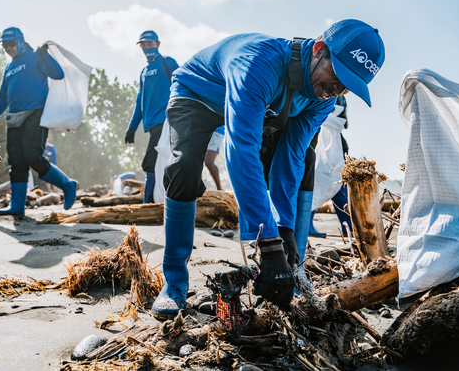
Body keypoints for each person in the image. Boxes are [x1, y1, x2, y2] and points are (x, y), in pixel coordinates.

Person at [152, 19, 385, 319]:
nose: (337, 89)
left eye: (348, 86)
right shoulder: (259, 63)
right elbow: (240, 150)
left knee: (308, 160)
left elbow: (291, 159)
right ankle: (173, 283)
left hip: (265, 107)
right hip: (198, 94)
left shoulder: (324, 97)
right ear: (318, 49)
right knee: (184, 168)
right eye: (338, 75)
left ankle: (295, 272)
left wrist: (283, 229)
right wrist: (268, 241)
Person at [0, 27, 77, 215]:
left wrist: (45, 56)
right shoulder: (9, 68)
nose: (8, 48)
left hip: (36, 113)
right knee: (17, 161)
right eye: (4, 45)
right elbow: (2, 98)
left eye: (11, 43)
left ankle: (67, 185)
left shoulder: (35, 57)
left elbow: (58, 74)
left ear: (20, 41)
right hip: (14, 117)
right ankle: (17, 207)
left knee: (32, 156)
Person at [125, 30, 179, 204]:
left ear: (158, 44)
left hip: (165, 121)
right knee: (159, 162)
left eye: (151, 43)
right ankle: (160, 202)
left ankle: (148, 203)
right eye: (144, 45)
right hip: (152, 124)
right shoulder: (144, 71)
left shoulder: (167, 63)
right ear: (140, 46)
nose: (148, 47)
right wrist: (132, 127)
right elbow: (140, 101)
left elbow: (182, 84)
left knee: (150, 163)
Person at [309, 95, 353, 239]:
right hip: (320, 164)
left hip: (335, 165)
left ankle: (349, 226)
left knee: (341, 193)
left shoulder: (334, 129)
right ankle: (306, 224)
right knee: (314, 191)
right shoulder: (323, 123)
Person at [204, 126, 224, 191]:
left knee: (209, 161)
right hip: (201, 129)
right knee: (197, 161)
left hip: (216, 131)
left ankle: (219, 189)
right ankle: (197, 189)